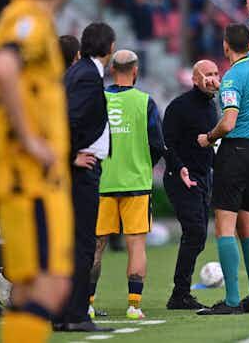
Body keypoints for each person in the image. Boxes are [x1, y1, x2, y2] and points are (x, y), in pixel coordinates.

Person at [0, 0, 75, 343]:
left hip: (27, 177)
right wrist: (30, 140)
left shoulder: (21, 18)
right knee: (51, 283)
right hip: (30, 178)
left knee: (28, 287)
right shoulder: (28, 20)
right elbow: (3, 68)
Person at [196, 0, 249, 315]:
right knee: (248, 228)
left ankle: (232, 300)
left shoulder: (231, 79)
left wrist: (208, 138)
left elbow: (228, 122)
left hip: (235, 153)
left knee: (225, 228)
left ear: (226, 47)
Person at [93, 49, 165, 320]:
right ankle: (134, 306)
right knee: (136, 245)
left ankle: (87, 304)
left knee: (96, 245)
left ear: (112, 70)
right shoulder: (145, 102)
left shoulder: (97, 99)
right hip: (136, 183)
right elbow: (157, 144)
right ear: (135, 71)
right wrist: (142, 164)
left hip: (102, 182)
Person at [56, 22, 115, 333]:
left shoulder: (78, 72)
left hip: (77, 168)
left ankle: (62, 313)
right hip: (81, 171)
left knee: (70, 242)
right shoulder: (88, 75)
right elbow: (67, 120)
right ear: (109, 47)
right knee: (82, 243)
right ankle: (76, 314)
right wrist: (71, 156)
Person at [164, 59, 219, 310]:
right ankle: (180, 294)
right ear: (195, 79)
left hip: (203, 177)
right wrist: (179, 167)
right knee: (195, 232)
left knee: (198, 236)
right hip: (182, 178)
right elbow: (166, 143)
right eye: (207, 74)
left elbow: (209, 146)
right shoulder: (179, 107)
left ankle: (181, 293)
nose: (213, 78)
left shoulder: (212, 106)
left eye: (216, 73)